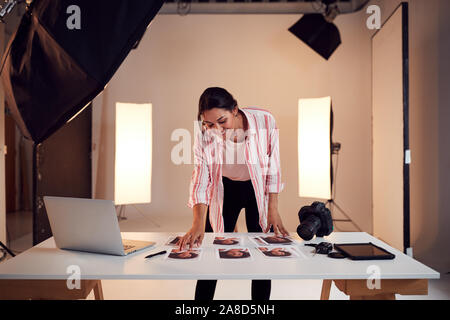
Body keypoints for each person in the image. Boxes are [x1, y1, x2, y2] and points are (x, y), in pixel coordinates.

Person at [178, 87, 288, 300]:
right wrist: (198, 221)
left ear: (235, 110)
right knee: (211, 249)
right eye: (209, 124)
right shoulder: (204, 135)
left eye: (222, 121)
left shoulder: (264, 121)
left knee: (261, 252)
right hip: (226, 188)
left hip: (257, 190)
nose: (216, 129)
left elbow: (273, 167)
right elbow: (201, 177)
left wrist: (273, 208)